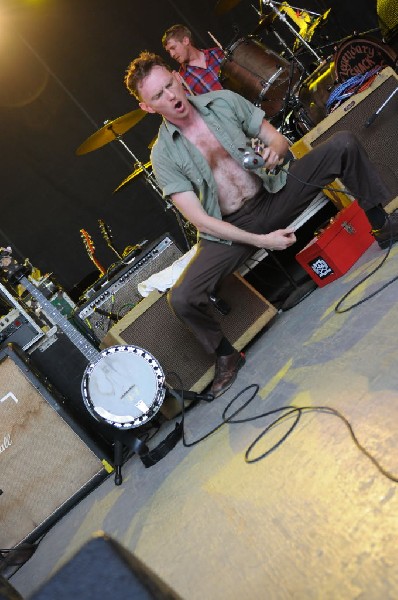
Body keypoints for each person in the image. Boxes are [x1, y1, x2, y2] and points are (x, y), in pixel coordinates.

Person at [124, 52, 398, 398]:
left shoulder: (222, 100)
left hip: (272, 194)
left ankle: (382, 224)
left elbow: (276, 139)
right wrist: (260, 239)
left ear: (178, 77)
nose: (172, 96)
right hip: (229, 232)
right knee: (182, 298)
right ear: (148, 108)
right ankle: (226, 356)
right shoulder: (162, 155)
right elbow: (200, 219)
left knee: (342, 144)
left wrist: (275, 151)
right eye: (158, 96)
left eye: (170, 84)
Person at [162, 24, 224, 95]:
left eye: (173, 48)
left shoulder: (217, 53)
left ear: (185, 41)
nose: (172, 54)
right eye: (169, 51)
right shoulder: (182, 79)